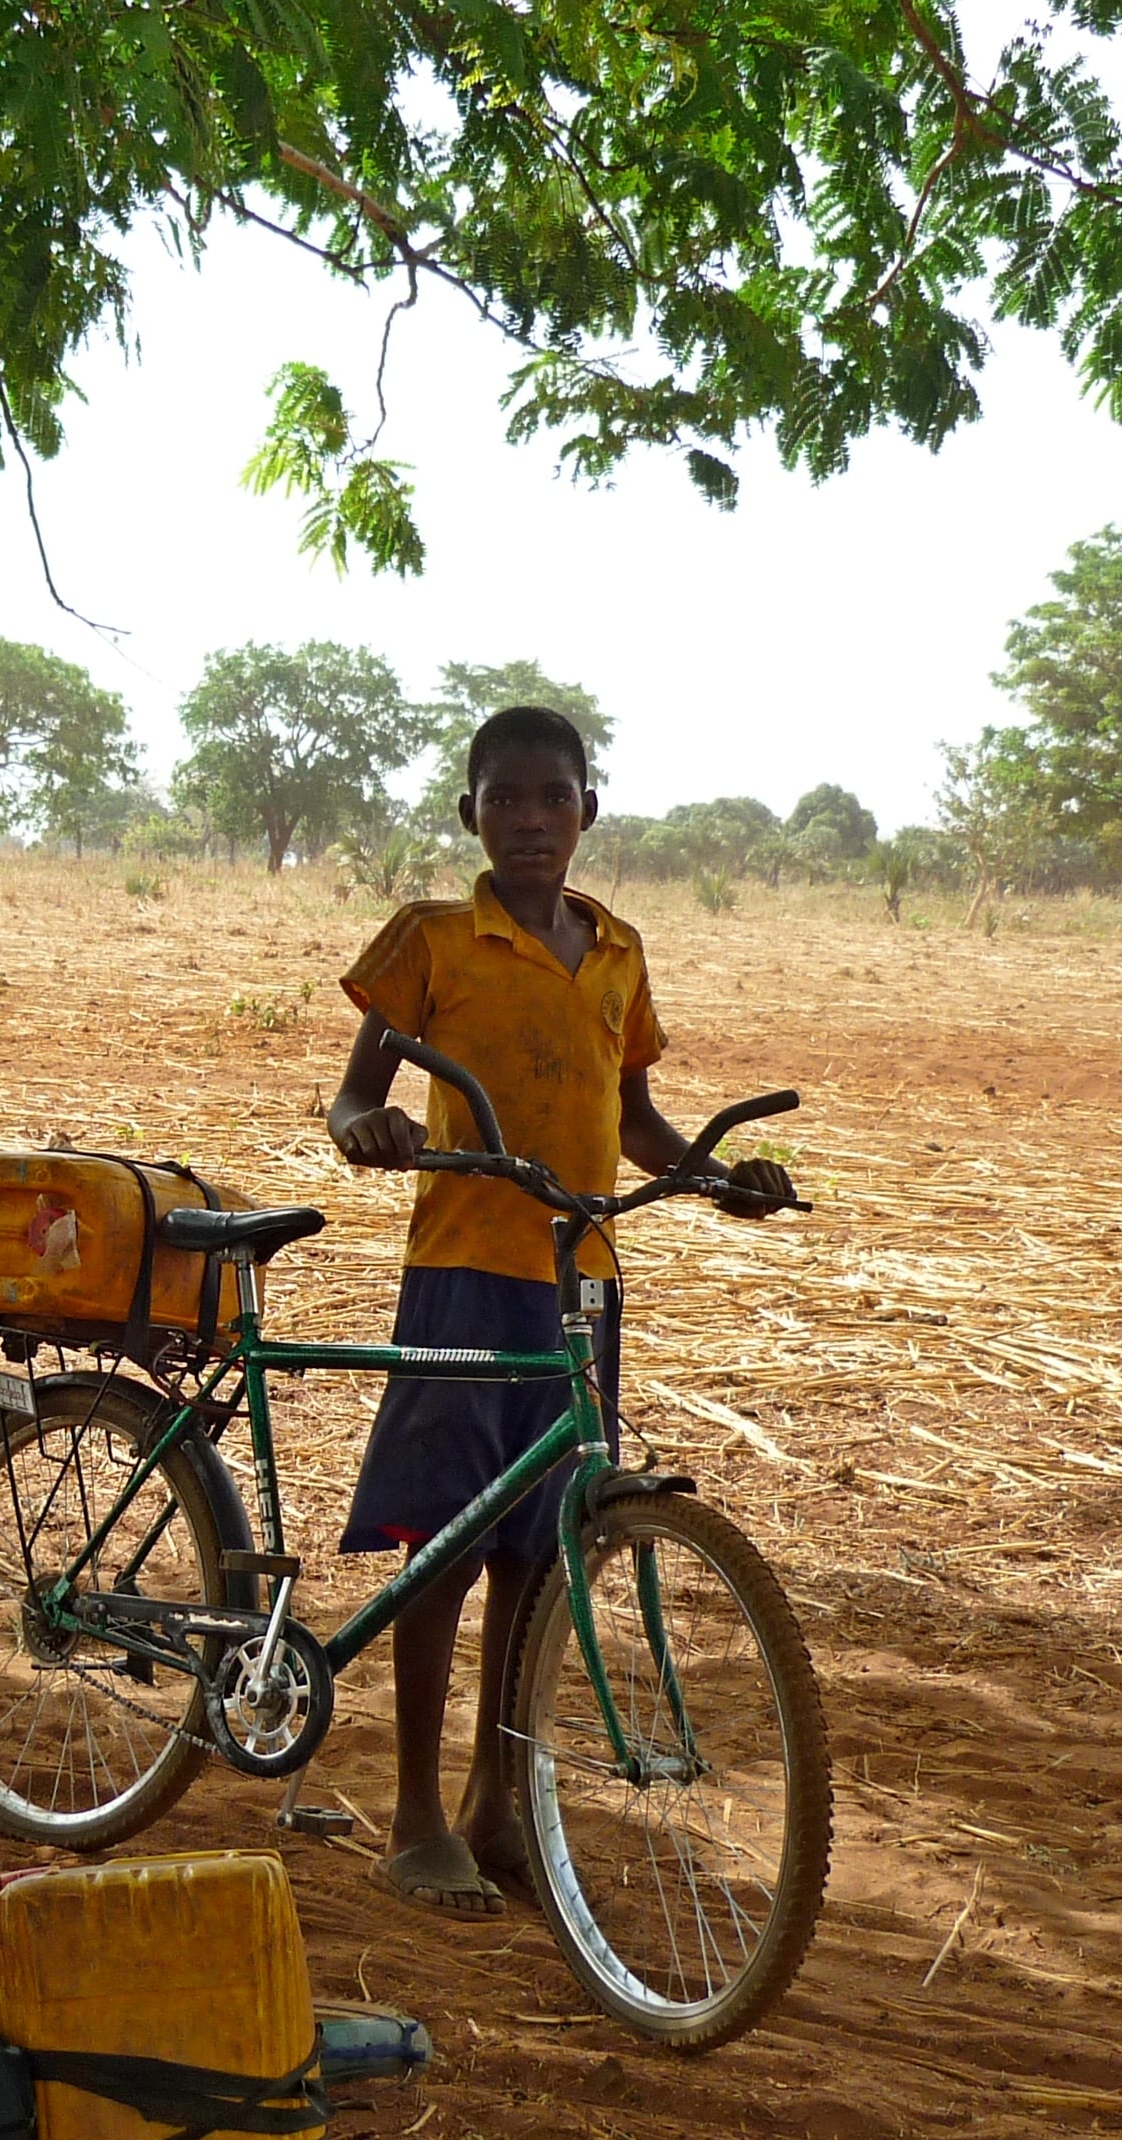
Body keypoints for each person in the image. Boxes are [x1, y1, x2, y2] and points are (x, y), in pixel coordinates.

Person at [326, 705, 794, 1918]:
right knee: (440, 1543)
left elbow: (629, 1117)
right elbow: (353, 1094)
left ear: (590, 809)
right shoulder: (433, 940)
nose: (530, 819)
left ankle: (500, 1805)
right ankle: (416, 1813)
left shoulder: (618, 952)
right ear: (468, 812)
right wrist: (363, 1132)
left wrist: (711, 1176)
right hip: (467, 1270)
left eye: (554, 796)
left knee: (539, 1553)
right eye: (506, 797)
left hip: (583, 1281)